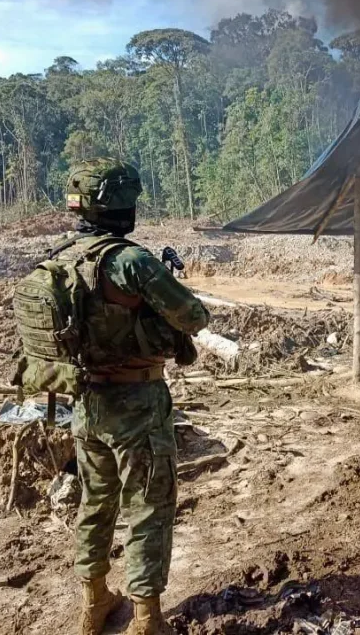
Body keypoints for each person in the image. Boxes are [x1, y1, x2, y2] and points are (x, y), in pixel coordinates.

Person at [59, 158, 210, 635]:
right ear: (123, 206)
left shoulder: (60, 259)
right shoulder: (130, 262)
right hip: (138, 402)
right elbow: (193, 317)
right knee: (149, 505)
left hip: (85, 403)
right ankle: (147, 619)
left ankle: (95, 602)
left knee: (95, 503)